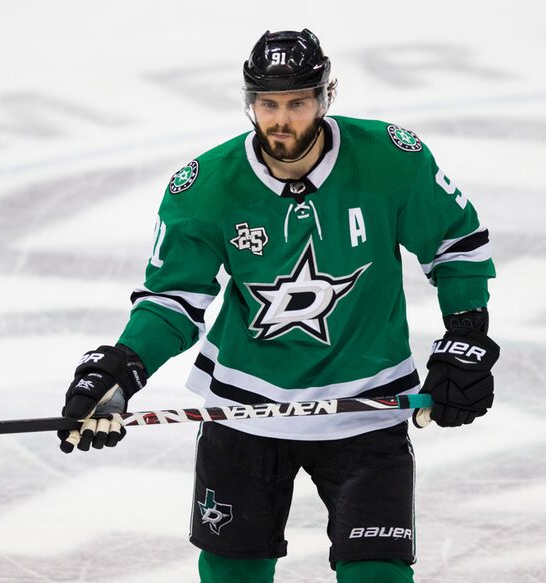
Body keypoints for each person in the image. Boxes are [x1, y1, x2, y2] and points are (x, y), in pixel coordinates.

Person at [57, 29, 499, 583]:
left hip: (367, 406)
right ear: (250, 104)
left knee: (378, 577)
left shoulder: (391, 159)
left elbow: (455, 243)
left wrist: (467, 332)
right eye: (268, 104)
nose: (281, 119)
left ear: (324, 97)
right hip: (245, 411)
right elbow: (173, 300)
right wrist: (123, 367)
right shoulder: (204, 187)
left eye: (297, 102)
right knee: (233, 573)